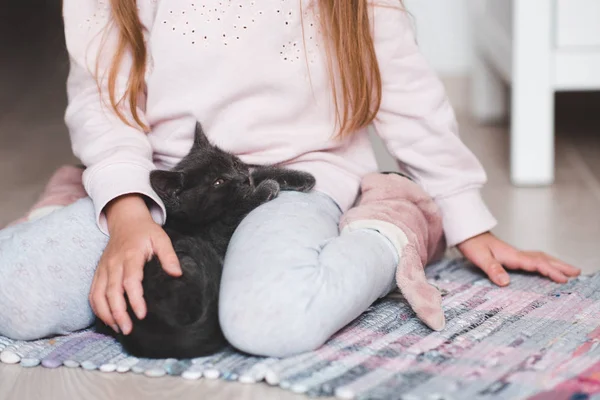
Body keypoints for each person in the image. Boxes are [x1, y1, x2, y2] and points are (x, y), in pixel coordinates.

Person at [0, 0, 579, 358]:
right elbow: (105, 103)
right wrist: (125, 210)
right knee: (13, 293)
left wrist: (463, 212)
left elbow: (407, 95)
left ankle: (389, 231)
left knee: (268, 321)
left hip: (299, 183)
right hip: (166, 183)